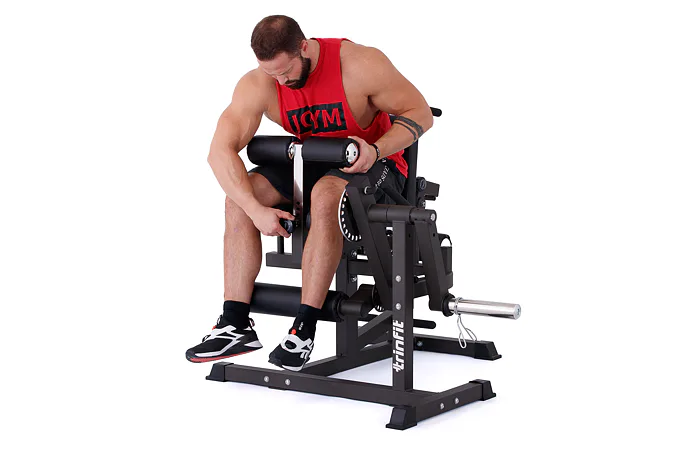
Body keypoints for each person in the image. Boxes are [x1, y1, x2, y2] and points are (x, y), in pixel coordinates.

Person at [186, 15, 433, 371]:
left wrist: (376, 150)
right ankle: (235, 323)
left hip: (373, 161)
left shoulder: (359, 64)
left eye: (286, 71)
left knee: (326, 194)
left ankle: (303, 329)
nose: (281, 82)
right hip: (311, 160)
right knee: (239, 197)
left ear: (304, 47)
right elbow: (218, 152)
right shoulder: (261, 83)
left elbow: (421, 113)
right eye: (272, 74)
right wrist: (255, 209)